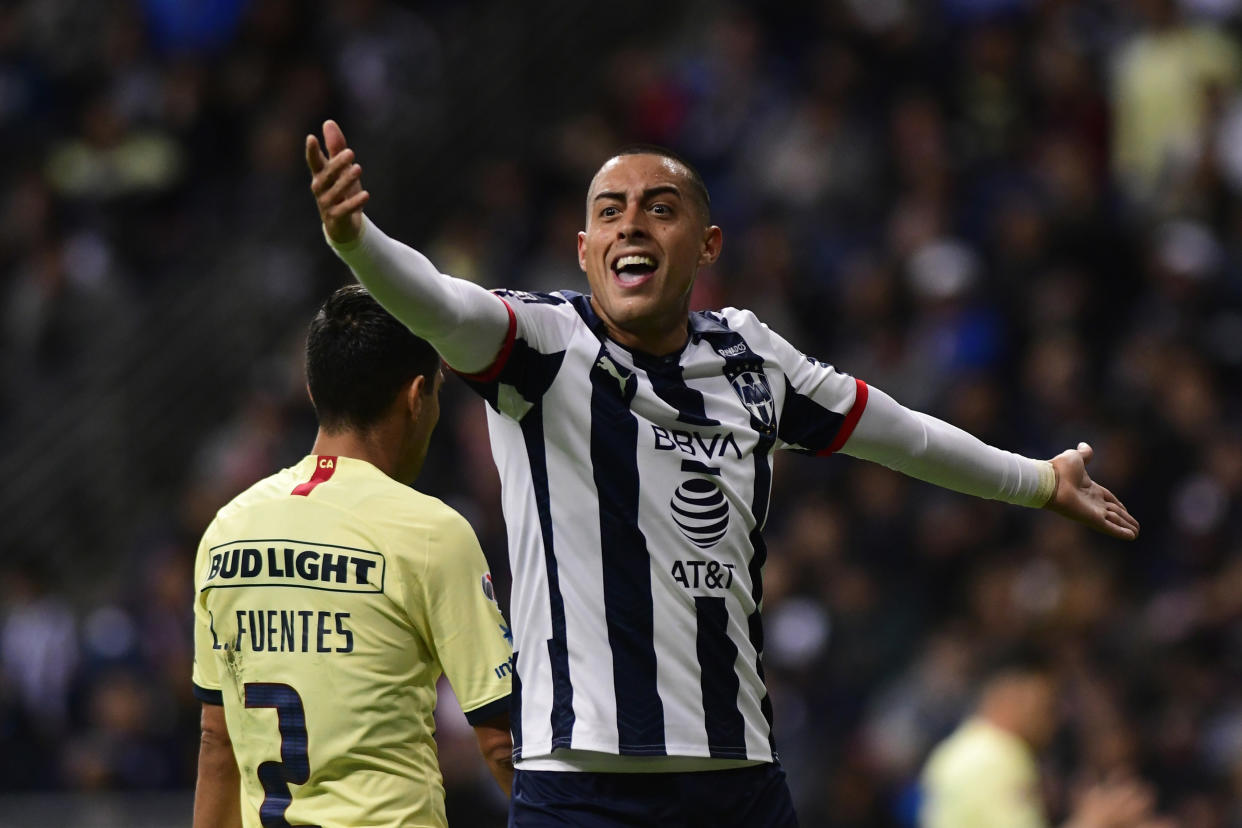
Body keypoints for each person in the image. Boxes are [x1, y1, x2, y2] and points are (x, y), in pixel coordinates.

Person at [305, 119, 1140, 827]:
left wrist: (1037, 481)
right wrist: (358, 242)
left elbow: (902, 435)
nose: (632, 224)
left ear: (706, 245)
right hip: (579, 783)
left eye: (659, 209)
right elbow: (440, 302)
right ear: (586, 248)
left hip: (734, 774)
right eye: (611, 211)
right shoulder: (539, 347)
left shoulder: (751, 359)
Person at [191, 284, 515, 828]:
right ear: (417, 397)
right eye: (435, 390)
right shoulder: (432, 532)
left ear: (315, 391)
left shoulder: (227, 530)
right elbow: (500, 744)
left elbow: (216, 743)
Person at [920, 647, 1158, 828]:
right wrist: (1093, 822)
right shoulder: (997, 755)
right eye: (1047, 705)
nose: (1054, 718)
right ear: (1014, 695)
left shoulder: (957, 749)